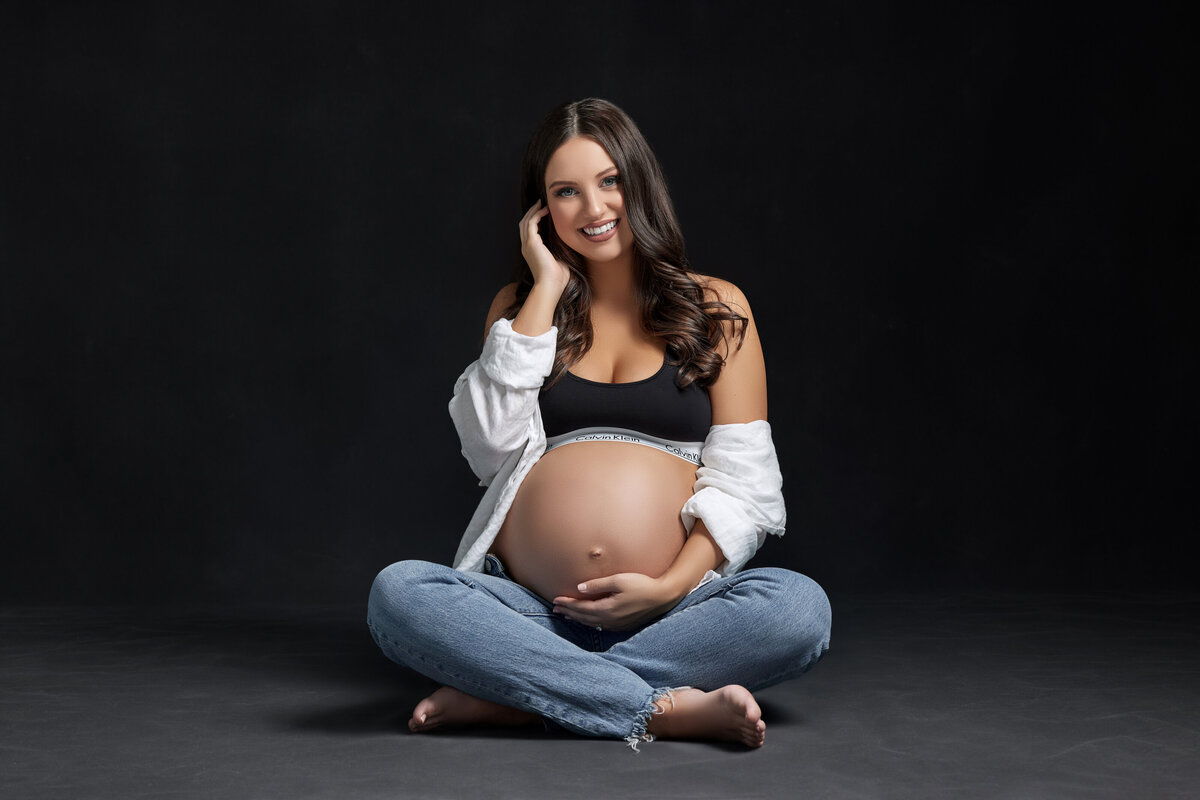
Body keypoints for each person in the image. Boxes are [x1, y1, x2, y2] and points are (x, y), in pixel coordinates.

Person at [367, 98, 831, 749]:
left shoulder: (717, 307)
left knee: (800, 609)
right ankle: (656, 707)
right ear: (541, 210)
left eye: (609, 180)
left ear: (638, 182)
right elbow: (486, 447)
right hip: (528, 609)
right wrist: (547, 288)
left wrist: (666, 587)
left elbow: (748, 489)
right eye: (566, 192)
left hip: (676, 612)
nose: (594, 208)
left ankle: (525, 697)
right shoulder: (522, 308)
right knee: (398, 595)